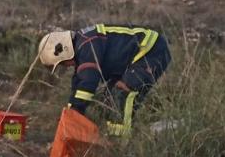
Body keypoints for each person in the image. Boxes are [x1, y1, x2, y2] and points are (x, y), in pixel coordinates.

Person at [37, 24, 171, 137]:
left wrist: (77, 110)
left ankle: (121, 143)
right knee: (108, 99)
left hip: (151, 50)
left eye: (62, 63)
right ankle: (113, 136)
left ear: (63, 50)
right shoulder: (82, 45)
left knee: (122, 92)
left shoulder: (87, 45)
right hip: (137, 56)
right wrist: (71, 111)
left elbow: (89, 81)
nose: (66, 66)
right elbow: (78, 82)